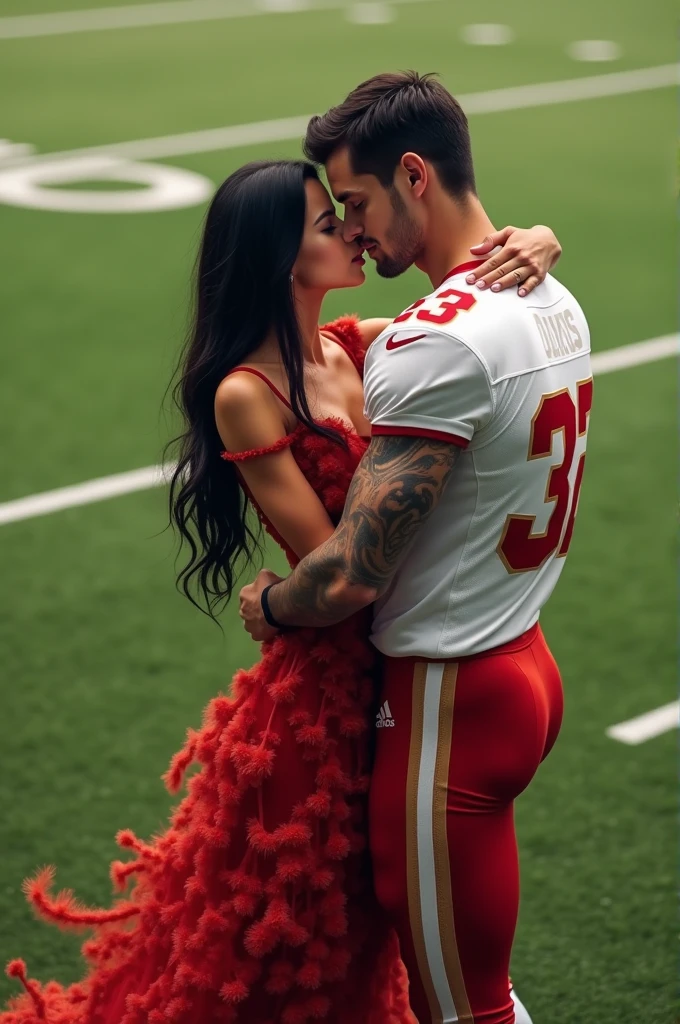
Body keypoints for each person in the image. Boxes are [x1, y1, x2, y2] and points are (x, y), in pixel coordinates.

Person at [1, 157, 560, 1024]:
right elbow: (338, 566)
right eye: (322, 221)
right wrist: (286, 600)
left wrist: (534, 241)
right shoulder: (245, 396)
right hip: (327, 698)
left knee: (377, 932)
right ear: (275, 257)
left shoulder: (356, 341)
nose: (348, 228)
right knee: (287, 941)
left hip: (407, 672)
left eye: (342, 213)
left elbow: (463, 324)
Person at [239, 72, 592, 1024]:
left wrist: (270, 604)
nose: (353, 232)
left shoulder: (431, 344)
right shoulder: (550, 289)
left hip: (451, 695)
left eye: (355, 205)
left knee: (460, 1009)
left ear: (413, 174)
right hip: (524, 661)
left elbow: (353, 572)